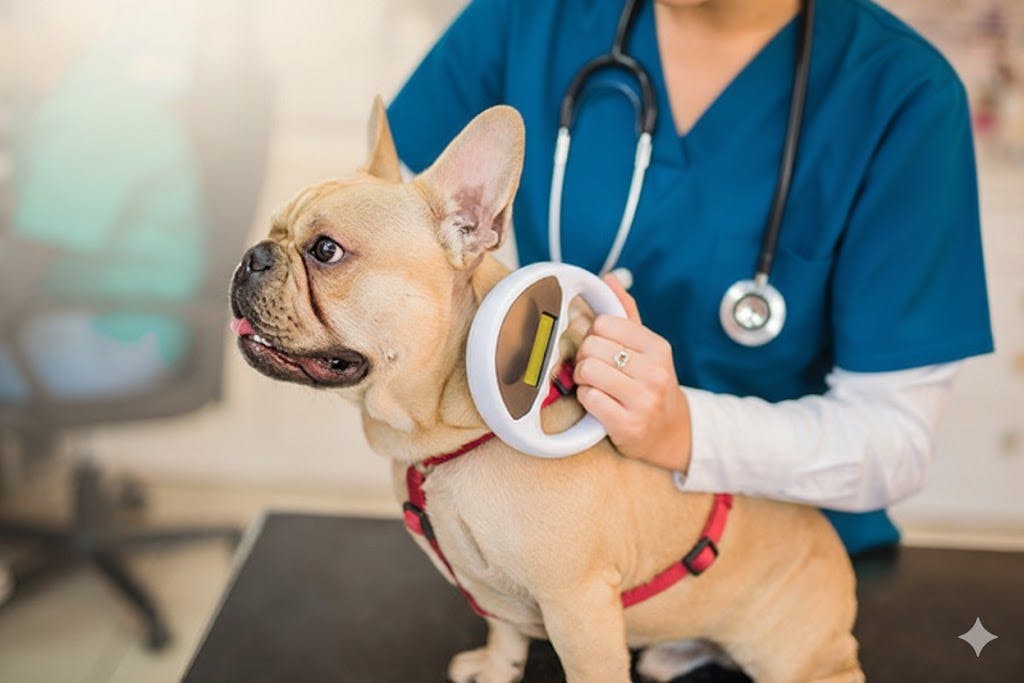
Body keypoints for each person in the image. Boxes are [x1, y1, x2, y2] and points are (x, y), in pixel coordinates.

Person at [385, 0, 994, 556]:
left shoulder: (901, 95)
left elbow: (894, 444)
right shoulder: (532, 19)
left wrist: (680, 429)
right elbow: (379, 225)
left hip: (777, 563)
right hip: (544, 532)